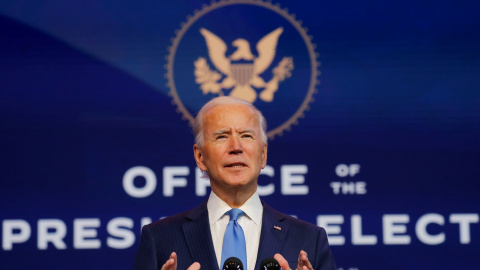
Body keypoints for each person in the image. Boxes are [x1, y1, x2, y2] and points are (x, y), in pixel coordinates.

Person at [133, 96, 336, 270]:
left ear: (263, 154)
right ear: (200, 156)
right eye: (222, 136)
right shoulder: (159, 238)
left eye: (246, 136)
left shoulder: (310, 240)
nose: (236, 147)